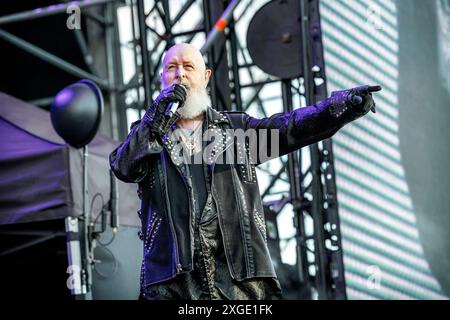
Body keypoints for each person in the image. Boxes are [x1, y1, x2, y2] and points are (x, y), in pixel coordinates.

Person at [109, 43, 381, 300]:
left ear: (205, 76)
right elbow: (123, 166)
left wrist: (340, 108)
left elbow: (290, 129)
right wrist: (154, 118)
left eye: (188, 67)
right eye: (171, 68)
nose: (180, 74)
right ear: (162, 80)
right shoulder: (146, 137)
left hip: (237, 279)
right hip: (171, 282)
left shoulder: (236, 131)